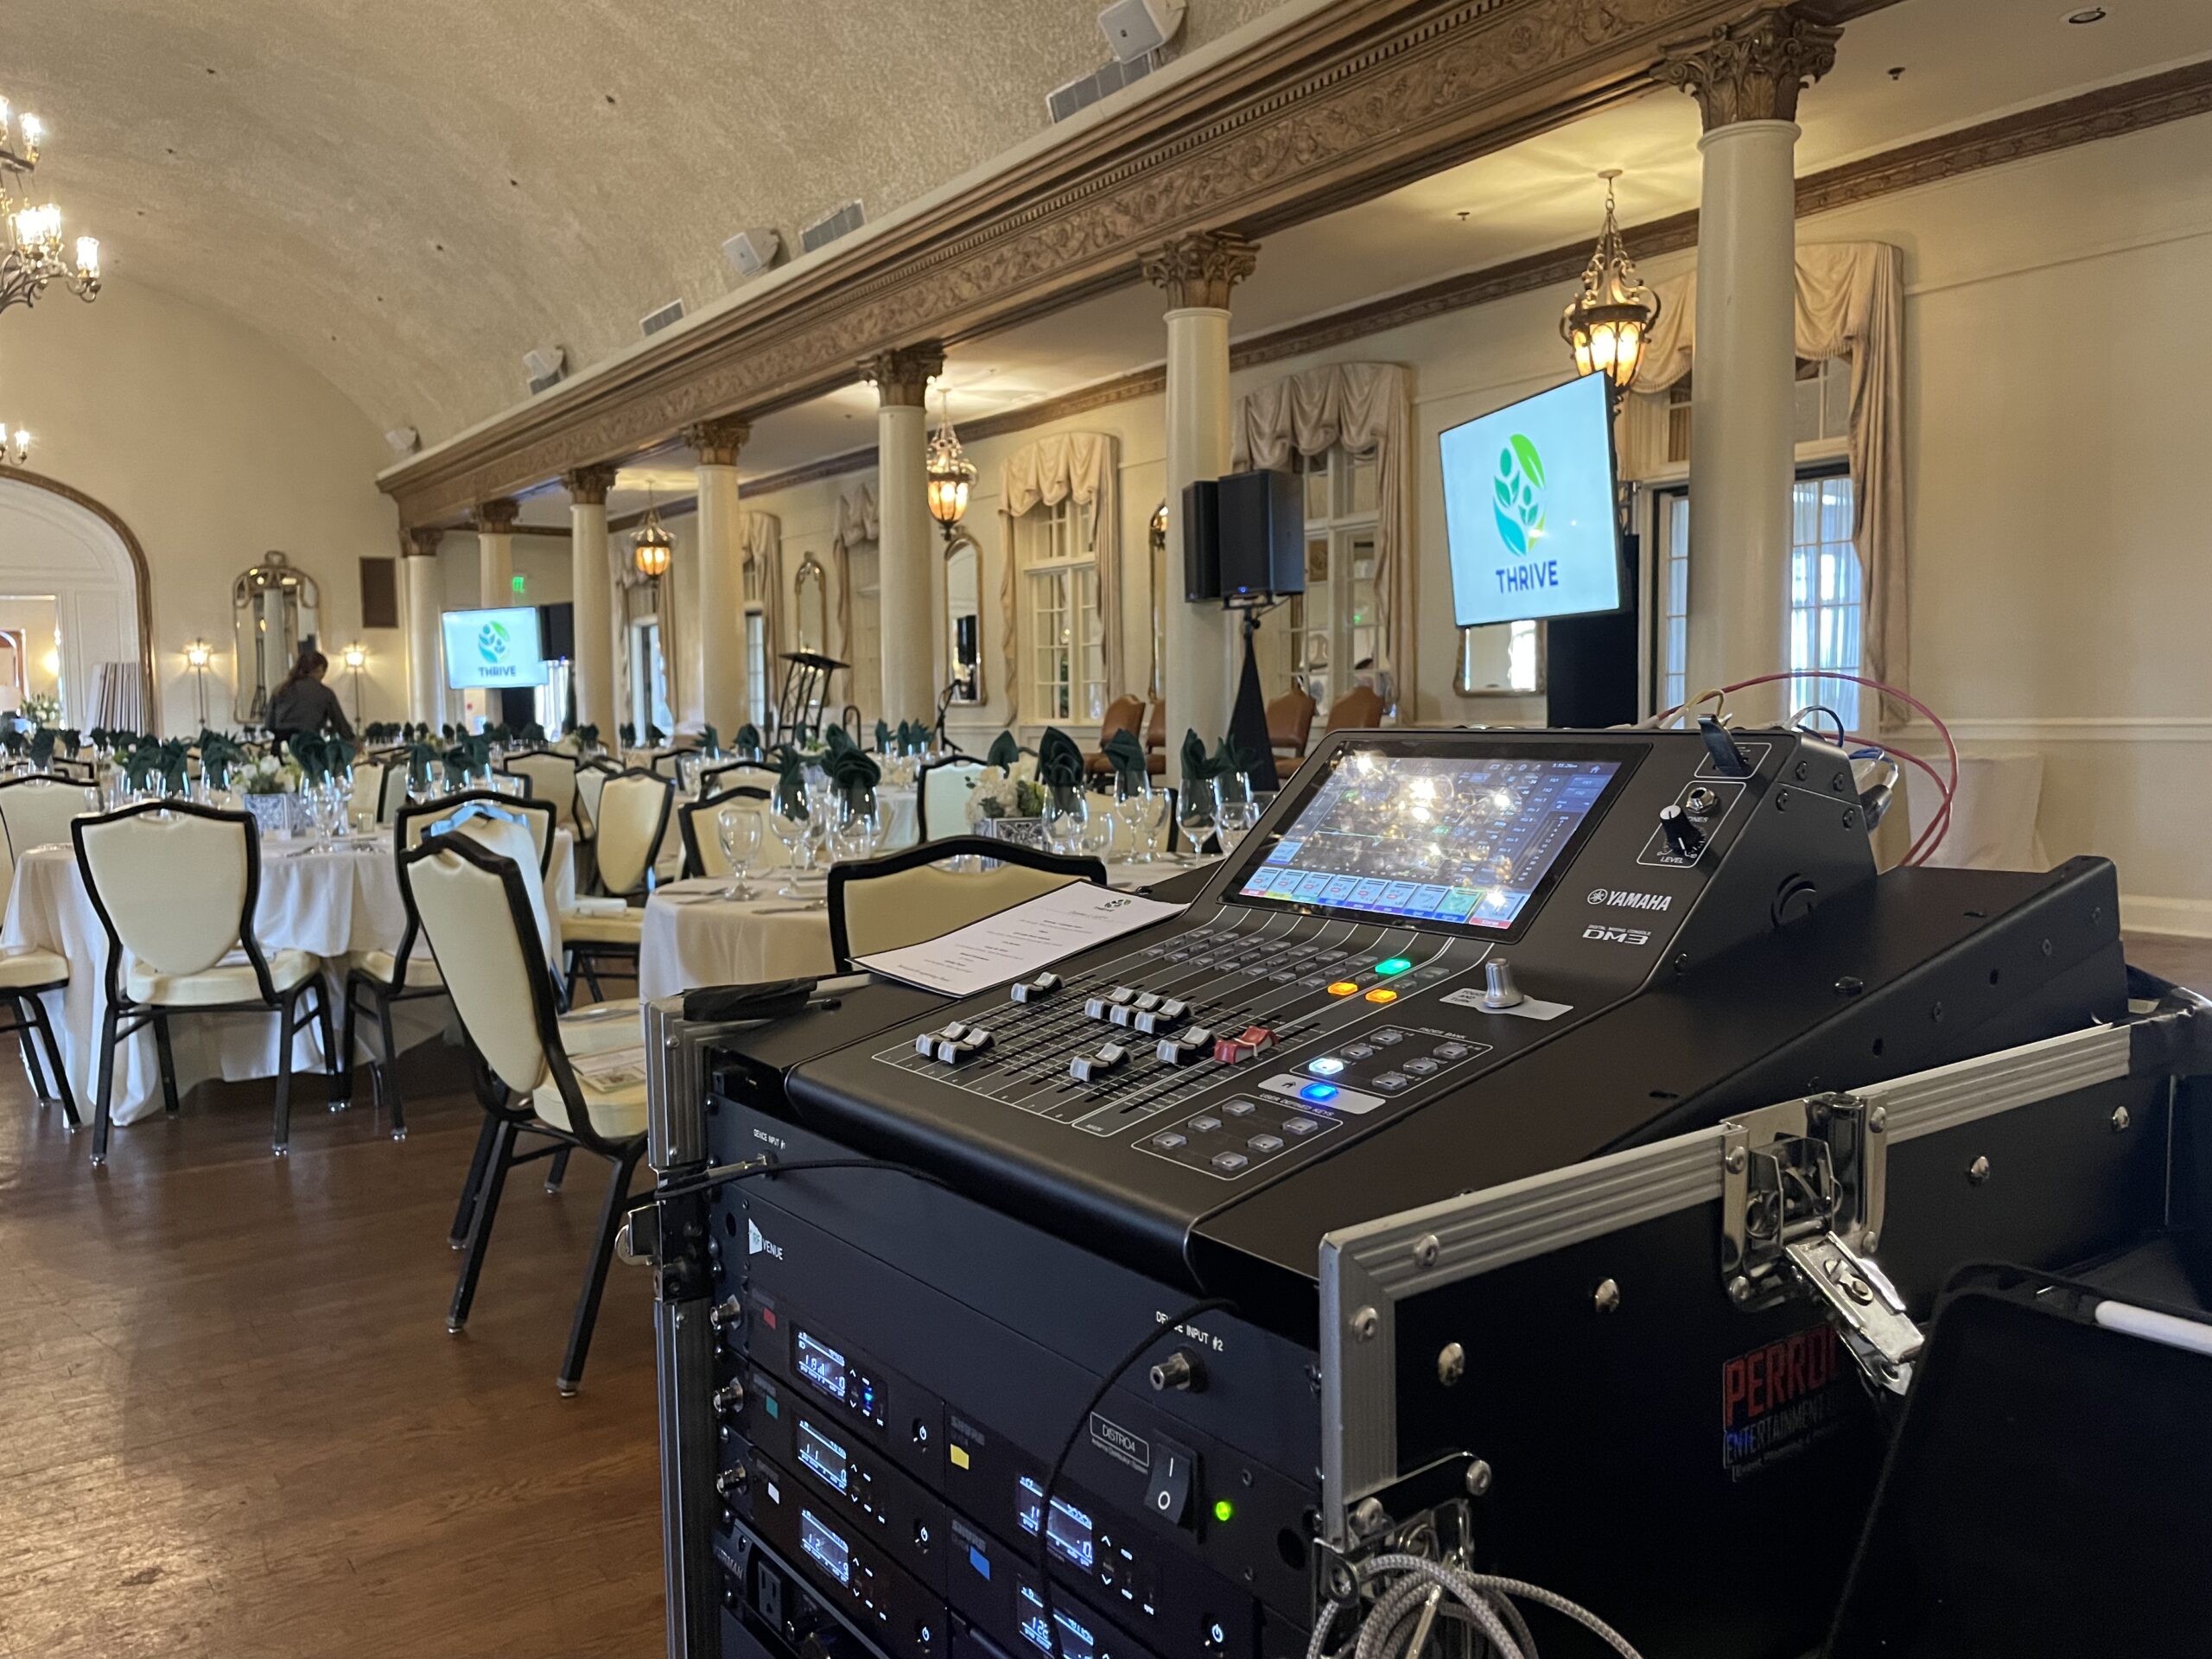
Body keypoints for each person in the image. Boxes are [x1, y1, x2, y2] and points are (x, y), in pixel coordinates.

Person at [266, 649, 354, 745]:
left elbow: (269, 724)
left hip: (281, 747)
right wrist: (353, 742)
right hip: (307, 748)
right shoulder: (324, 693)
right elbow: (341, 725)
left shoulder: (280, 689)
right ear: (319, 669)